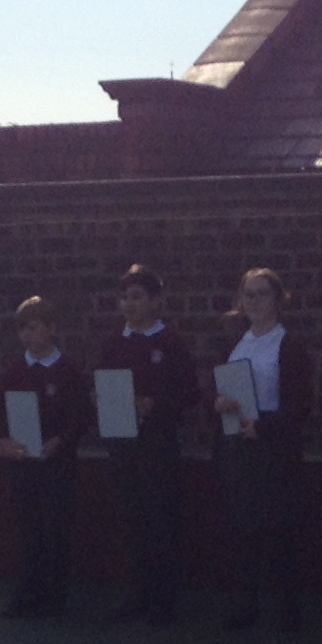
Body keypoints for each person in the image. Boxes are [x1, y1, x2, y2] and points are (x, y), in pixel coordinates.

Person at [94, 266, 197, 625]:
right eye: (124, 297)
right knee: (131, 520)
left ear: (155, 301)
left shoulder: (170, 343)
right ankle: (136, 593)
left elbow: (189, 393)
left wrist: (155, 404)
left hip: (157, 445)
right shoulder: (113, 344)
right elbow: (103, 383)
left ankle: (163, 598)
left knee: (160, 521)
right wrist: (101, 398)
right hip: (123, 445)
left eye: (136, 297)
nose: (129, 304)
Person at [212, 268, 313, 634]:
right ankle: (247, 603)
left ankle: (285, 609)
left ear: (278, 299)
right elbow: (217, 389)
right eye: (248, 294)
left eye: (262, 294)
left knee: (277, 530)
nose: (254, 301)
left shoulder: (290, 345)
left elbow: (300, 405)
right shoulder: (233, 343)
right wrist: (218, 403)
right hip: (238, 448)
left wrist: (265, 426)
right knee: (243, 529)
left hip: (274, 451)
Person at [0, 295, 94, 618]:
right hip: (23, 464)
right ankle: (28, 591)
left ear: (51, 328)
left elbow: (82, 416)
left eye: (34, 327)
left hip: (56, 465)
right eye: (22, 329)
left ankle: (55, 595)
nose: (27, 335)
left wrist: (61, 441)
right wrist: (3, 440)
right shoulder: (13, 372)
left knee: (55, 529)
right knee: (27, 529)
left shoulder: (67, 372)